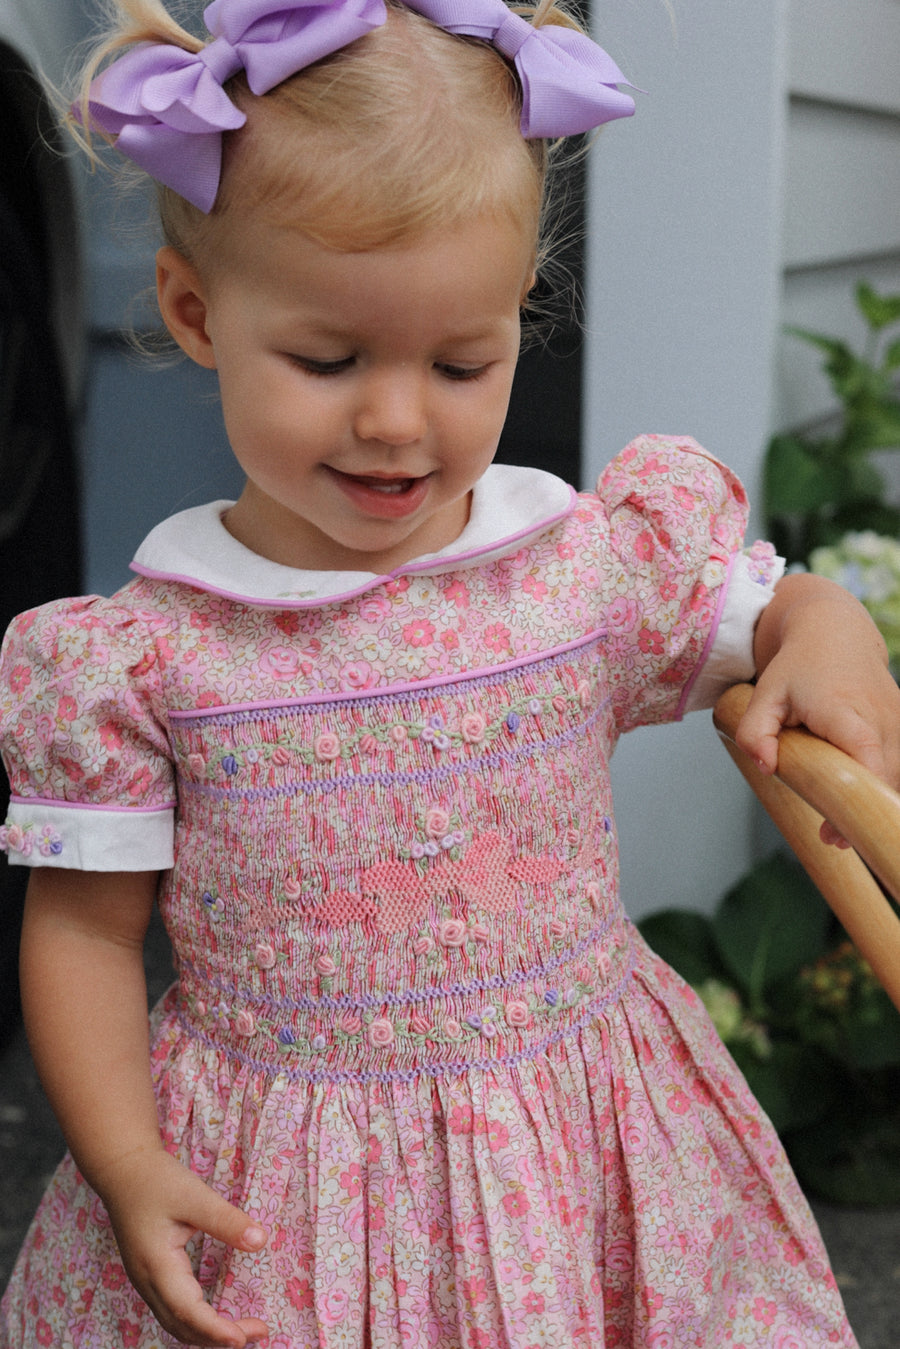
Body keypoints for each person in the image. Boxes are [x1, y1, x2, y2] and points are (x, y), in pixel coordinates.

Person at [1, 0, 898, 1344]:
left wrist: (827, 636)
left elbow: (779, 614)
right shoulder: (148, 656)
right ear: (196, 310)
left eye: (462, 359)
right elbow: (83, 927)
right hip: (280, 1193)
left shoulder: (576, 568)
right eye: (328, 357)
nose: (395, 416)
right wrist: (127, 1159)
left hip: (575, 1151)